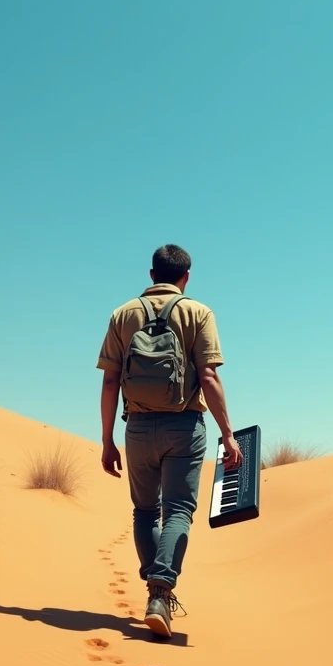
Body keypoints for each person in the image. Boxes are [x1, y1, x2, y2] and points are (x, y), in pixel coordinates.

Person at [97, 243, 243, 638]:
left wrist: (108, 441)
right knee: (177, 511)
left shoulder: (122, 314)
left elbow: (110, 380)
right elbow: (209, 377)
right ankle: (160, 591)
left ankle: (155, 586)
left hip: (138, 428)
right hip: (184, 427)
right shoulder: (198, 312)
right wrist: (228, 434)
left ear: (151, 275)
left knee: (144, 512)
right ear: (187, 277)